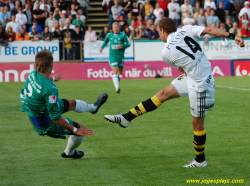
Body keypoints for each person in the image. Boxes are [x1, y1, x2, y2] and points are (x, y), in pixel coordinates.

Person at [104, 17, 245, 167]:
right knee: (162, 94)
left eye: (159, 31)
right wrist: (233, 36)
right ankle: (127, 118)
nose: (158, 34)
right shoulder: (187, 28)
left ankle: (200, 160)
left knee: (197, 125)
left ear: (163, 30)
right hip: (193, 76)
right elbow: (209, 30)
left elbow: (181, 68)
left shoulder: (166, 52)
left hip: (200, 84)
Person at [20, 49, 108, 158]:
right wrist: (76, 130)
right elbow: (55, 118)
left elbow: (43, 82)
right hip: (45, 122)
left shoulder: (33, 74)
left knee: (73, 103)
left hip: (41, 107)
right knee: (82, 130)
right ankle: (68, 153)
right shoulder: (51, 90)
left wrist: (53, 78)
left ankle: (93, 108)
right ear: (51, 64)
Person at [99, 22, 131, 93]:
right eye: (114, 27)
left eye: (117, 27)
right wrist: (102, 48)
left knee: (120, 72)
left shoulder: (123, 35)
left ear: (119, 28)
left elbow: (129, 44)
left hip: (121, 56)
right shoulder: (109, 35)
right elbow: (105, 41)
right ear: (112, 28)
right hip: (112, 56)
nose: (115, 29)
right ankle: (117, 88)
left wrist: (122, 45)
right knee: (115, 70)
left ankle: (117, 78)